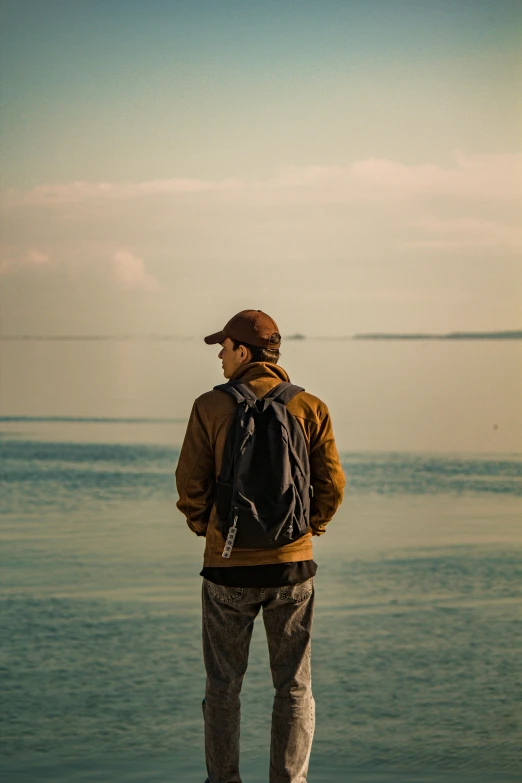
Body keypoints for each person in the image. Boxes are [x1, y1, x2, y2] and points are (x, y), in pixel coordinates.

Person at [175, 309, 345, 783]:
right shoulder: (310, 407)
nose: (220, 357)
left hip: (227, 570)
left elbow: (189, 488)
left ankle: (223, 779)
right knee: (293, 686)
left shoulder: (210, 407)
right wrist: (306, 531)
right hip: (293, 570)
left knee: (224, 686)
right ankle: (288, 780)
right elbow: (332, 486)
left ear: (244, 352)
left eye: (224, 348)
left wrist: (211, 533)